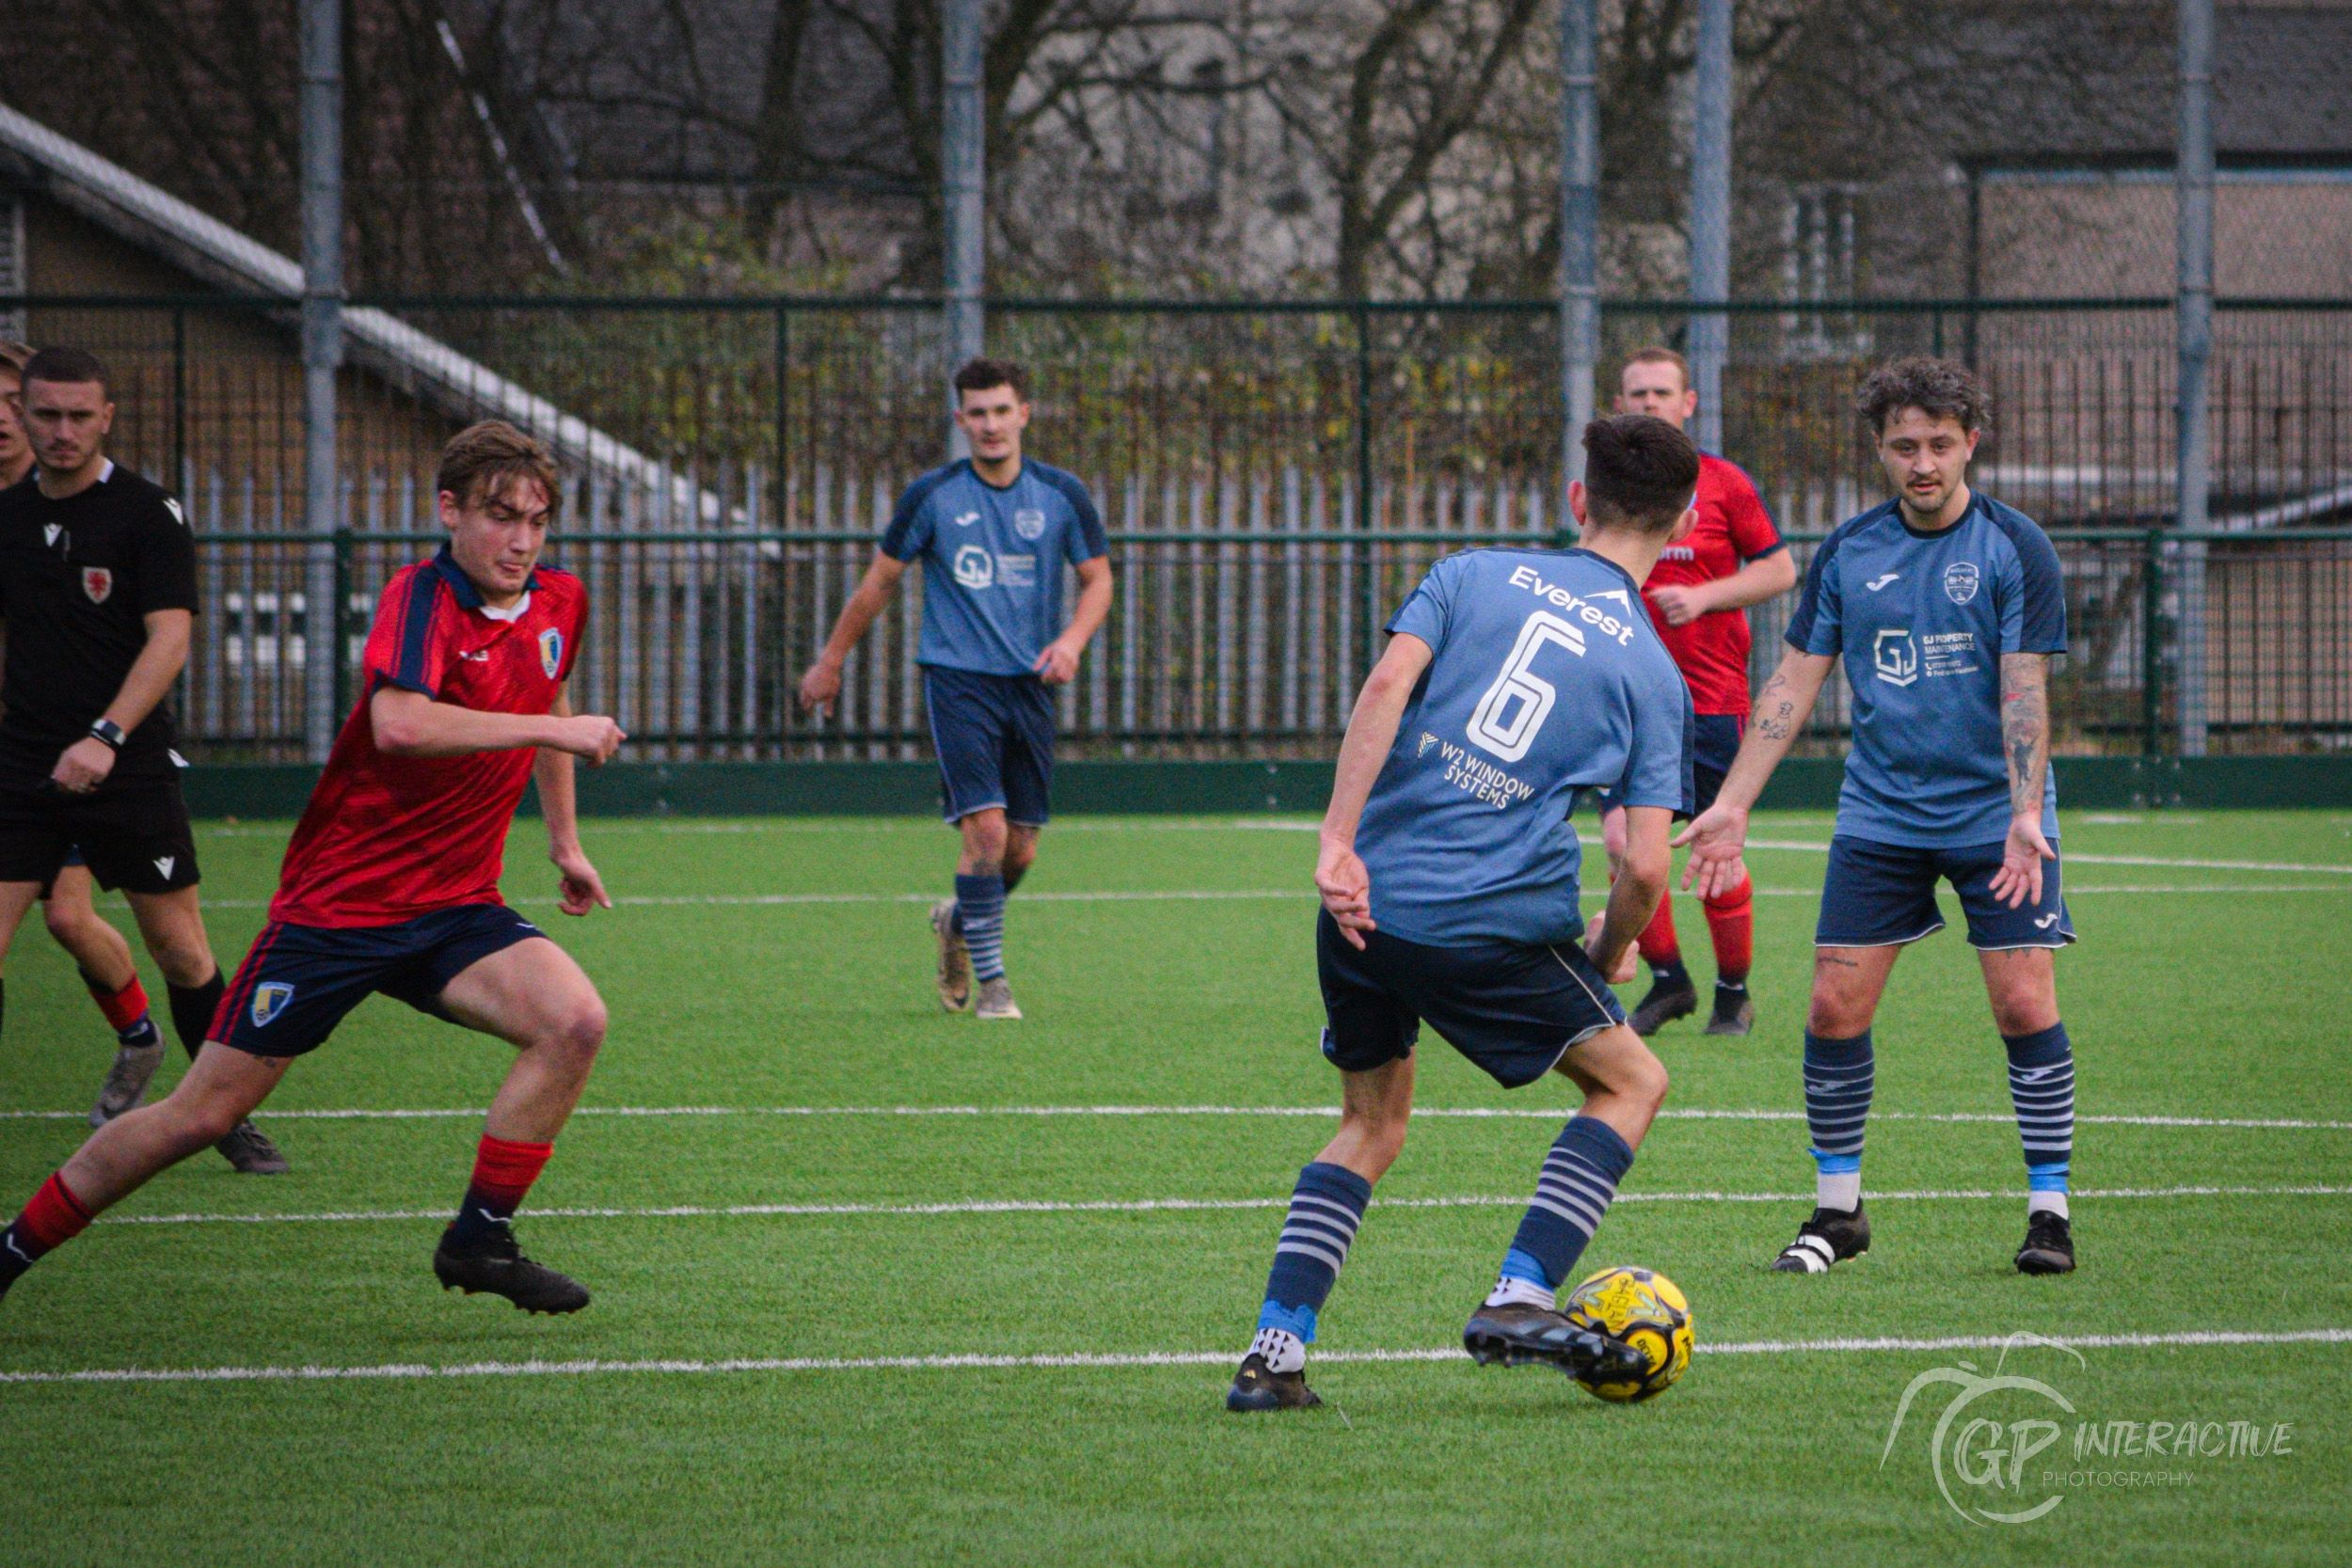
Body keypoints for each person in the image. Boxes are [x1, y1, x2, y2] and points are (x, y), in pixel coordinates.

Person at [0, 420, 627, 1313]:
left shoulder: (560, 599)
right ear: (450, 510)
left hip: (455, 904)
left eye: (537, 520)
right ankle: (11, 1250)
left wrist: (564, 841)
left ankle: (479, 1240)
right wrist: (552, 729)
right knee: (201, 1115)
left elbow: (549, 697)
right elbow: (400, 724)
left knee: (574, 1021)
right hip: (340, 909)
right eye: (500, 516)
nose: (521, 540)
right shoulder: (421, 597)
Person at [1226, 415, 1697, 1413]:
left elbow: (1386, 684)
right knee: (1633, 1080)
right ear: (1684, 521)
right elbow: (1648, 864)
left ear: (1579, 498)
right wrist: (1608, 950)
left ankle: (1273, 1357)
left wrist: (1337, 842)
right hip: (1485, 922)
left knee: (1367, 1126)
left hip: (1365, 903)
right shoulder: (1655, 673)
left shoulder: (1470, 571)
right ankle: (1520, 1294)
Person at [1676, 356, 2079, 1277]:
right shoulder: (1850, 552)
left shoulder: (2015, 547)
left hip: (1997, 819)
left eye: (1939, 444)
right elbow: (1792, 682)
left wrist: (2025, 810)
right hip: (1882, 812)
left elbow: (2024, 688)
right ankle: (1837, 1211)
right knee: (1831, 1005)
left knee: (2024, 1004)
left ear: (1971, 442)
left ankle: (2049, 1211)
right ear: (1879, 449)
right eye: (1903, 446)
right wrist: (1731, 802)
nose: (1922, 463)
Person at [0, 347, 280, 1171]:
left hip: (127, 766)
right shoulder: (6, 517)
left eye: (78, 415)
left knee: (182, 951)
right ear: (24, 416)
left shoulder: (148, 512)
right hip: (21, 767)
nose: (61, 430)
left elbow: (170, 639)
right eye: (45, 414)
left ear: (107, 418)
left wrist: (106, 736)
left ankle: (224, 1113)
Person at [796, 359, 1113, 1021]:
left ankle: (959, 922)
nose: (991, 424)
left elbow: (1099, 579)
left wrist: (1072, 641)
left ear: (1024, 414)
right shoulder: (933, 496)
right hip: (958, 681)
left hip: (1031, 686)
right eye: (978, 413)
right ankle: (995, 987)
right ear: (960, 420)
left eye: (1001, 410)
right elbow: (879, 582)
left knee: (1021, 849)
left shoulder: (1061, 495)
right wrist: (830, 660)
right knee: (987, 833)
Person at [1600, 347, 1797, 1037]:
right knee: (1624, 843)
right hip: (1627, 699)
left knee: (1715, 850)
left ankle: (1733, 991)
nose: (1649, 403)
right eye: (1637, 393)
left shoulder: (1724, 482)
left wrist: (1705, 596)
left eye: (1662, 392)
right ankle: (1669, 981)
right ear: (1619, 404)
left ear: (1688, 404)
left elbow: (1780, 570)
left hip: (1709, 700)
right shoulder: (1608, 488)